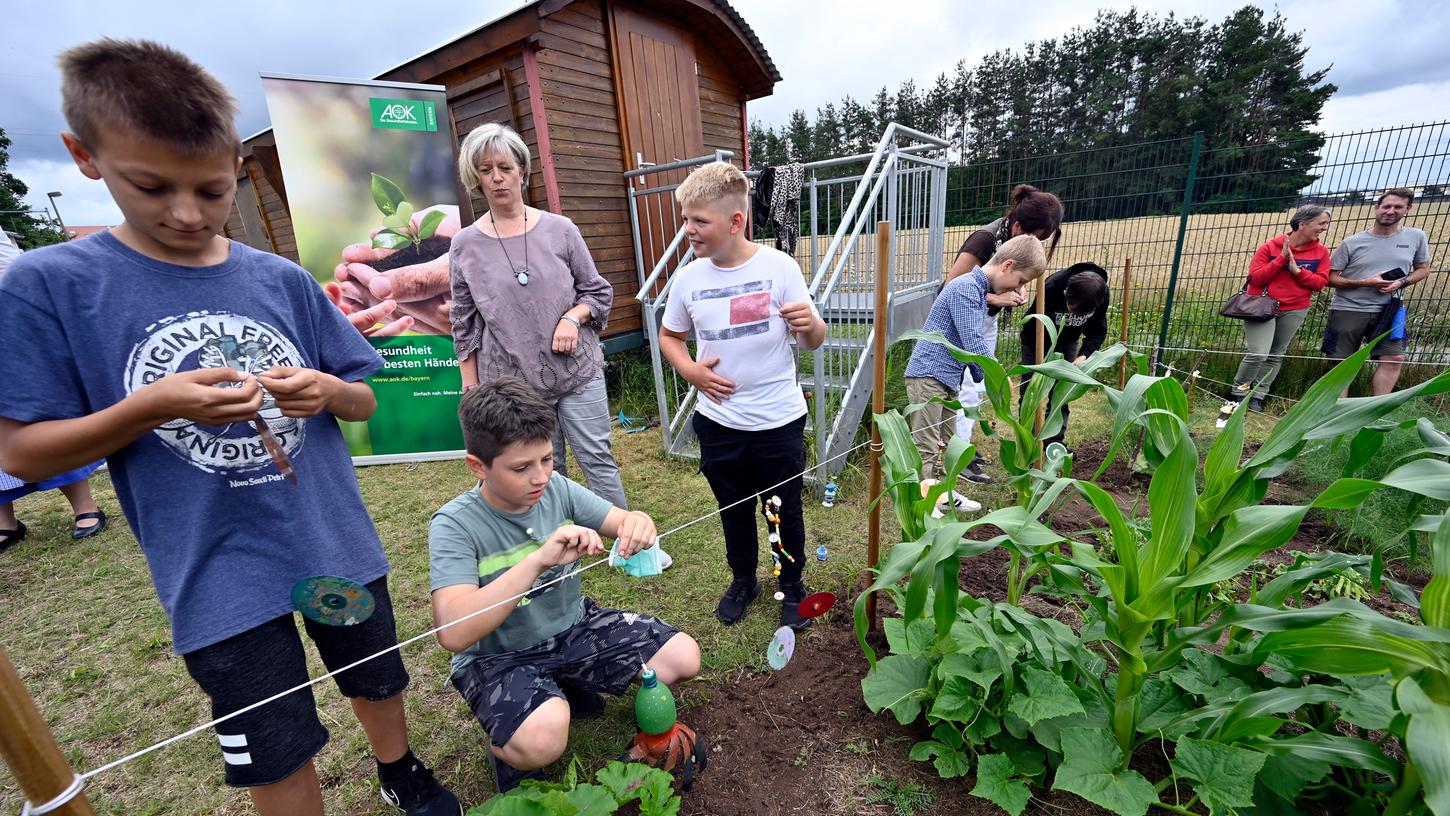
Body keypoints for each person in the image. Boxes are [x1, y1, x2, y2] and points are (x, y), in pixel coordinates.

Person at [0, 40, 460, 816]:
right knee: (271, 736)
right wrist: (152, 406)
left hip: (328, 537)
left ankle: (400, 768)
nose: (185, 212)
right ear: (84, 156)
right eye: (151, 186)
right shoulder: (50, 287)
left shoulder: (278, 279)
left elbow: (362, 400)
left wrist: (323, 390)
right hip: (214, 569)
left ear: (237, 168)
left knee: (375, 672)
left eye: (211, 192)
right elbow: (21, 449)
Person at [429, 377, 699, 793]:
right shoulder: (454, 525)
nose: (539, 477)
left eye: (547, 459)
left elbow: (621, 519)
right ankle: (508, 754)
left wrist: (638, 523)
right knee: (542, 739)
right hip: (498, 657)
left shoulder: (556, 487)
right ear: (477, 466)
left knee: (683, 657)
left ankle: (568, 683)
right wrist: (536, 562)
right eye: (521, 468)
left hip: (572, 628)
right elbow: (453, 631)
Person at [447, 123, 643, 534]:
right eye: (486, 170)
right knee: (537, 468)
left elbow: (596, 292)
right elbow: (463, 322)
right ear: (475, 178)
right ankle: (556, 542)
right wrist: (471, 388)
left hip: (576, 371)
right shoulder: (464, 245)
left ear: (522, 169)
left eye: (505, 166)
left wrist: (573, 317)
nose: (497, 177)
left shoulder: (560, 229)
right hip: (513, 383)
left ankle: (627, 540)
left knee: (596, 455)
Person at [658, 161, 827, 629]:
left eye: (699, 221)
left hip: (777, 422)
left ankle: (790, 586)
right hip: (719, 424)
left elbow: (814, 339)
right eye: (686, 219)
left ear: (735, 222)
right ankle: (742, 580)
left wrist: (810, 324)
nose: (688, 230)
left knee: (782, 510)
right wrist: (692, 371)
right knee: (733, 510)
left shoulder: (779, 268)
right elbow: (669, 337)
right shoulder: (689, 279)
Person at [904, 235, 1049, 510]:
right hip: (928, 374)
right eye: (1021, 281)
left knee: (947, 443)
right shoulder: (965, 289)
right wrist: (995, 378)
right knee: (926, 443)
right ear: (1007, 265)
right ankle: (924, 505)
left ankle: (943, 495)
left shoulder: (975, 289)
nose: (1019, 288)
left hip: (947, 376)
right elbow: (972, 340)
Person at [944, 184, 1064, 482]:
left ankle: (964, 446)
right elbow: (951, 289)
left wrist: (1016, 290)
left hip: (986, 319)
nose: (1036, 245)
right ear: (1018, 226)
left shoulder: (1011, 240)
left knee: (977, 389)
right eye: (1034, 239)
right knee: (967, 387)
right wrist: (997, 299)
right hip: (965, 320)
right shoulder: (984, 241)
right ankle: (957, 457)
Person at [1217, 205, 1332, 424]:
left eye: (1326, 224)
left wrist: (1297, 271)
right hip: (1260, 307)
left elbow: (1319, 283)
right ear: (1302, 224)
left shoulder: (1321, 253)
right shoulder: (1270, 247)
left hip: (1295, 308)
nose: (1324, 229)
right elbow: (1256, 279)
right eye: (1321, 223)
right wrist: (1281, 260)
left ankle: (1258, 396)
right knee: (1258, 353)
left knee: (1276, 354)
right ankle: (1238, 394)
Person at [1325, 188, 1432, 396]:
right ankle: (1336, 411)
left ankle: (1375, 410)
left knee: (1394, 358)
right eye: (1387, 206)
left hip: (1391, 309)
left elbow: (1423, 269)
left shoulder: (1416, 237)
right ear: (1377, 208)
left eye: (1398, 207)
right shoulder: (1352, 243)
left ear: (1408, 209)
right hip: (1349, 308)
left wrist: (1401, 282)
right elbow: (1330, 279)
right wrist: (1366, 283)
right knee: (1340, 362)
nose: (1391, 211)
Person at [1018, 262, 1110, 450]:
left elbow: (1097, 331)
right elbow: (1032, 322)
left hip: (1068, 341)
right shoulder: (1053, 286)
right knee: (1031, 390)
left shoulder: (1101, 294)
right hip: (1036, 338)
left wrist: (1084, 355)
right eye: (1070, 306)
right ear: (1066, 293)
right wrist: (1040, 360)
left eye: (1077, 312)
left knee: (1062, 392)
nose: (1070, 313)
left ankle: (1054, 442)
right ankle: (1028, 442)